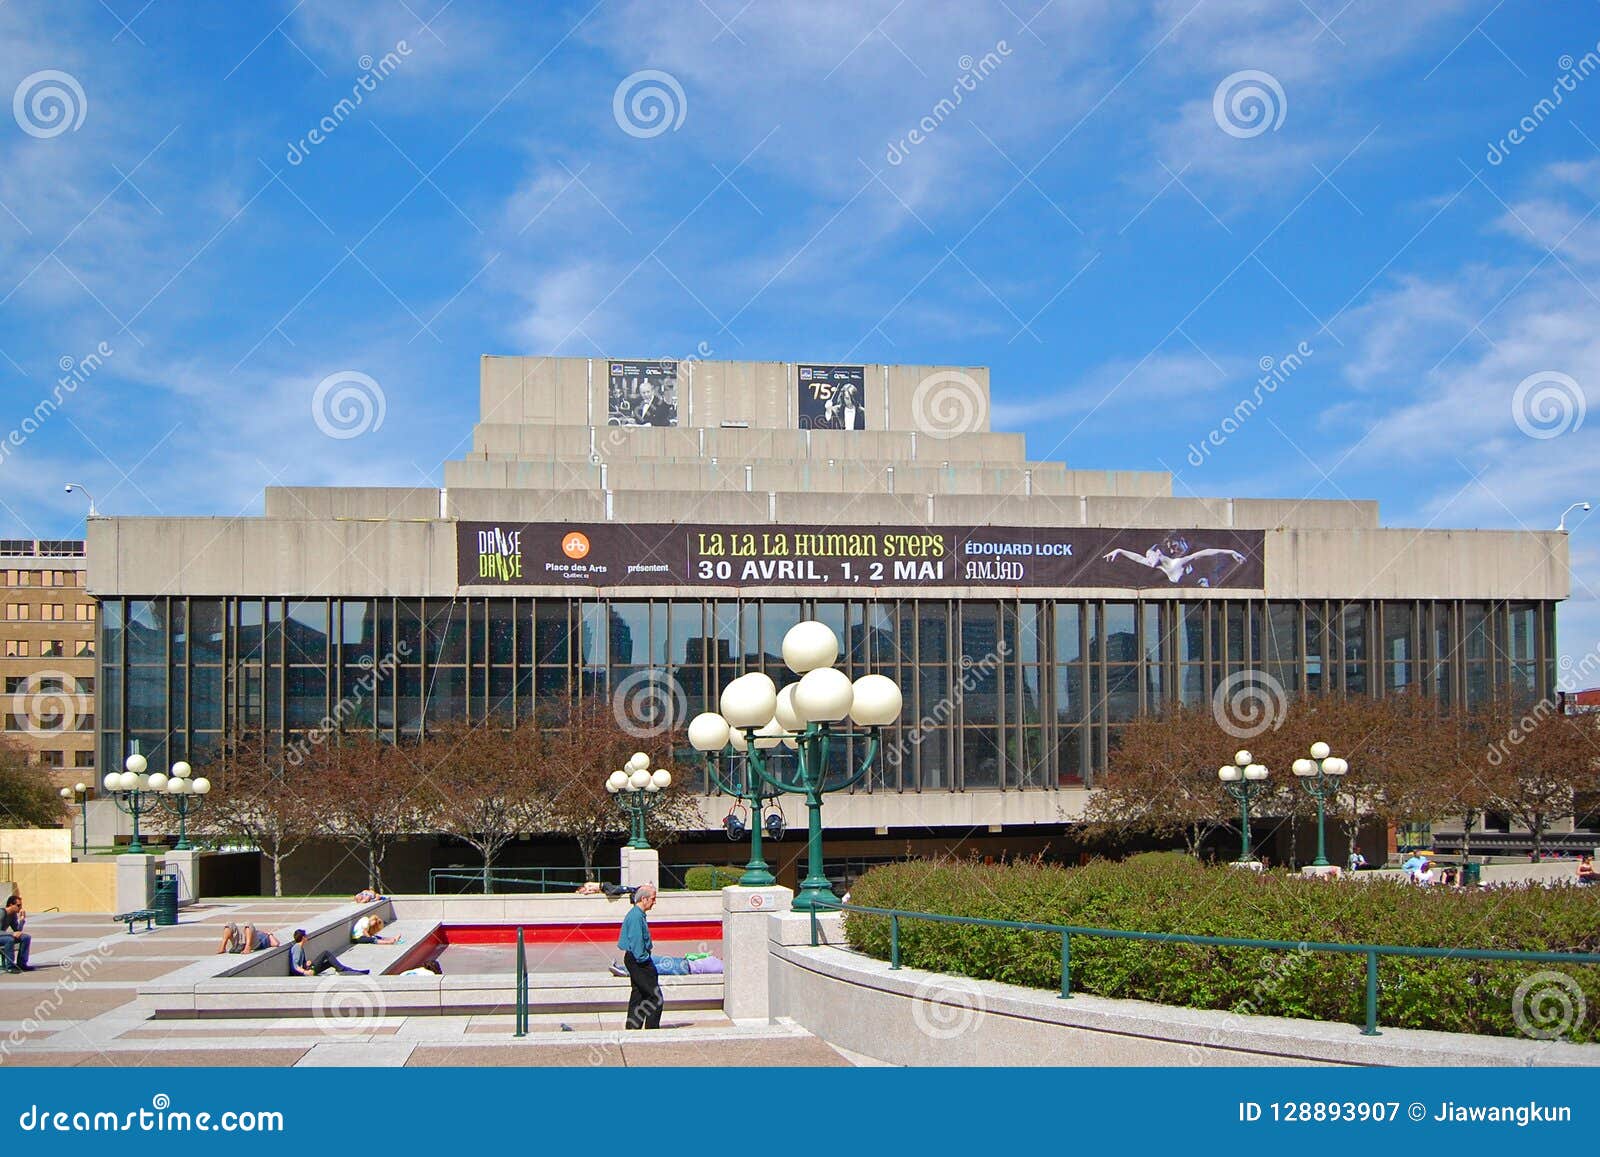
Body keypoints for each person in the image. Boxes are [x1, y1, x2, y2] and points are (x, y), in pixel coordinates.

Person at [618, 883, 662, 1030]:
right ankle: (652, 1030)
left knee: (639, 995)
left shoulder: (636, 914)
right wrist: (644, 960)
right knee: (655, 997)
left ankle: (632, 1028)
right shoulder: (636, 916)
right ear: (644, 899)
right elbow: (637, 941)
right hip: (639, 960)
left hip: (633, 958)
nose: (654, 902)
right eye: (653, 898)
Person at [288, 929, 367, 976]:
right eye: (306, 936)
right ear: (303, 937)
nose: (307, 937)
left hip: (308, 969)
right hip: (306, 973)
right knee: (326, 953)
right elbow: (295, 966)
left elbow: (300, 964)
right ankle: (344, 970)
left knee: (330, 962)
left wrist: (306, 964)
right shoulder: (297, 947)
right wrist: (306, 972)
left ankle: (352, 971)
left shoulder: (300, 947)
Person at [0, 895, 30, 973]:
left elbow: (17, 931)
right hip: (2, 936)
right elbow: (13, 933)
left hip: (2, 936)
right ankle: (10, 966)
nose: (20, 908)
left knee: (26, 937)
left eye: (21, 905)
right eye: (18, 905)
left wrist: (22, 920)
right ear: (11, 905)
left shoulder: (13, 915)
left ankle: (22, 964)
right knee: (9, 939)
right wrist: (11, 933)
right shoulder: (2, 913)